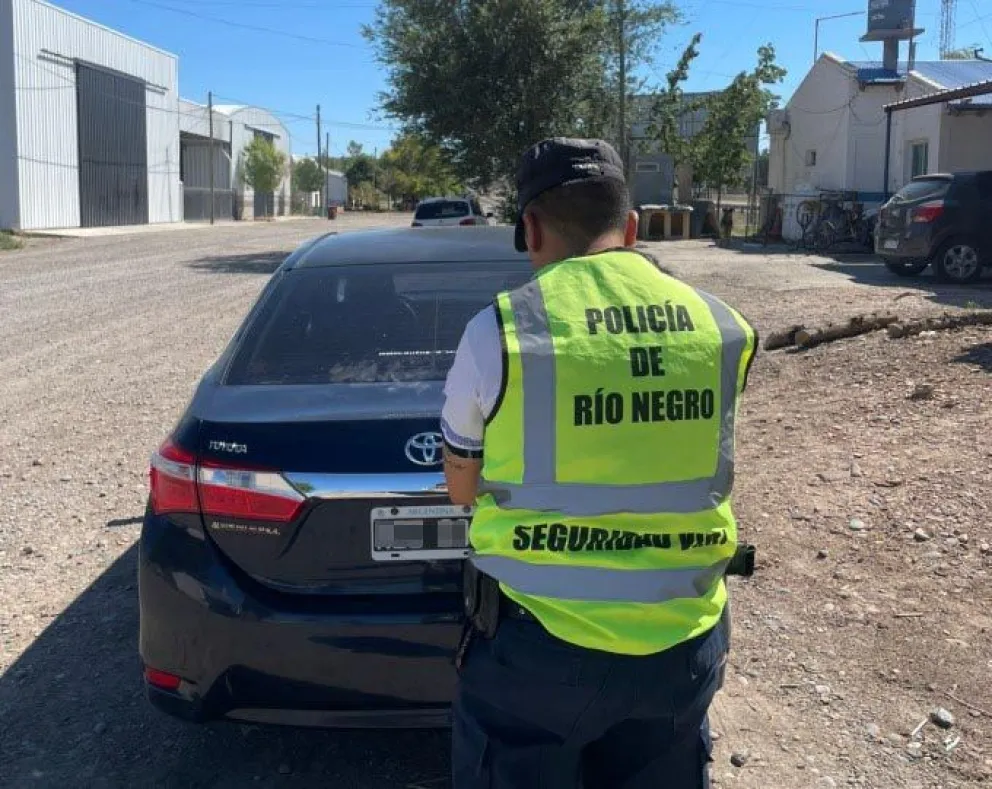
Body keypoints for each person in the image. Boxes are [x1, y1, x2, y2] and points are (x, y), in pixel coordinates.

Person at [440, 137, 758, 789]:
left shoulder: (500, 331)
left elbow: (461, 486)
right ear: (633, 228)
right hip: (682, 645)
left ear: (529, 228)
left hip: (536, 656)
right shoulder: (721, 325)